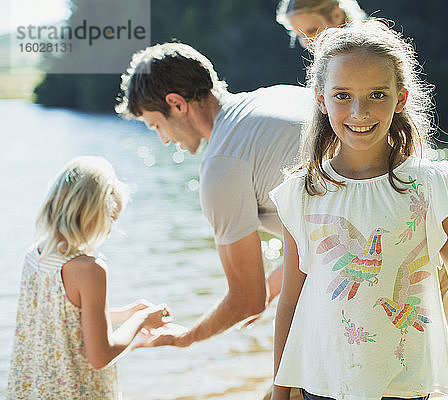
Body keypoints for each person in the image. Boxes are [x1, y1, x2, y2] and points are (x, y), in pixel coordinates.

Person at [270, 20, 448, 400]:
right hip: (324, 382)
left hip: (404, 383)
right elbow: (292, 299)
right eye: (342, 95)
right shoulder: (303, 192)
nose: (359, 112)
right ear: (321, 99)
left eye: (377, 94)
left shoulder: (430, 185)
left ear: (401, 97)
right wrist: (280, 393)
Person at [115, 43, 313, 348]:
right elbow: (310, 230)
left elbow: (248, 300)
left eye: (156, 125)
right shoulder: (277, 95)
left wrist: (185, 336)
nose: (164, 140)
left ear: (177, 104)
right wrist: (271, 289)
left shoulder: (221, 166)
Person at [7, 156, 170, 399]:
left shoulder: (36, 255)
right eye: (111, 221)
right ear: (95, 214)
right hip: (75, 392)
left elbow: (64, 319)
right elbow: (100, 355)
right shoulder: (90, 269)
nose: (109, 231)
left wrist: (124, 315)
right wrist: (141, 319)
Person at [276, 0, 366, 48]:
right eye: (299, 36)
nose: (307, 44)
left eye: (312, 31)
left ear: (337, 15)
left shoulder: (367, 54)